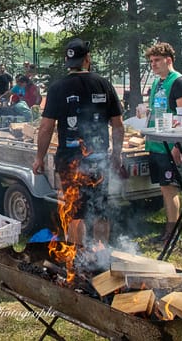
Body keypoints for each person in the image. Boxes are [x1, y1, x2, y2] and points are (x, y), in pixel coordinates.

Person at [33, 37, 126, 245]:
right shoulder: (104, 84)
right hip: (99, 159)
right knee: (101, 210)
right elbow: (118, 125)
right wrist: (117, 155)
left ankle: (77, 258)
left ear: (68, 62)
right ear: (88, 59)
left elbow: (46, 127)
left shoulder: (58, 88)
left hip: (69, 160)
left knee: (75, 212)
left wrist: (39, 158)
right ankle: (102, 256)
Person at [144, 42, 182, 245]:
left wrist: (178, 146)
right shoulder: (158, 83)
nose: (153, 65)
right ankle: (167, 231)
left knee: (170, 188)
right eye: (151, 61)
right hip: (157, 144)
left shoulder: (179, 82)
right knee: (164, 188)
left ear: (168, 60)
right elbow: (160, 111)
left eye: (157, 61)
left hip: (172, 145)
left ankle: (172, 234)